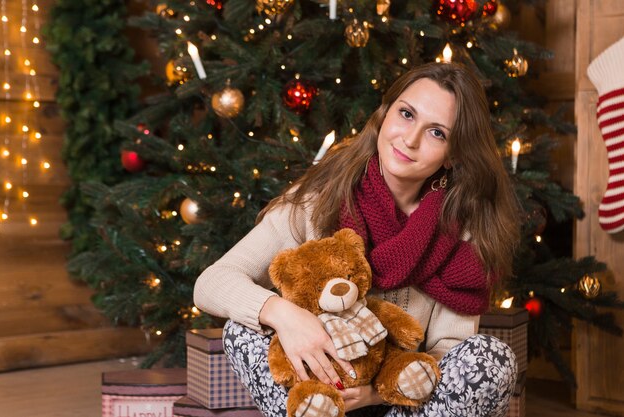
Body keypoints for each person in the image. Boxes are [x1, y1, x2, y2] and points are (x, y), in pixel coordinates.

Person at [194, 62, 520, 417]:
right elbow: (211, 282)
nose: (410, 139)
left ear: (453, 155)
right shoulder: (321, 199)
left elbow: (448, 352)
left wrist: (375, 394)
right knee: (238, 330)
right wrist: (287, 317)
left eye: (437, 133)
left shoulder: (460, 231)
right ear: (383, 115)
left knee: (492, 359)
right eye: (406, 114)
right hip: (320, 396)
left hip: (403, 404)